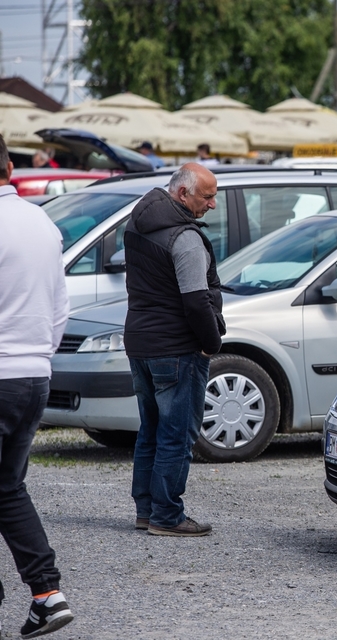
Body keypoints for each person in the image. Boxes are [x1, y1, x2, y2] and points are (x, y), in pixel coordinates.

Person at [125, 163, 225, 538]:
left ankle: (146, 511)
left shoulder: (137, 223)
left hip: (140, 343)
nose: (213, 205)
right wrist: (211, 344)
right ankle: (167, 515)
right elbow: (197, 302)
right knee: (176, 434)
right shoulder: (184, 238)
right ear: (183, 194)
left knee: (150, 429)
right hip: (177, 349)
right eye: (207, 196)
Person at [0, 134, 75, 638]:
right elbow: (59, 310)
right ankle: (47, 595)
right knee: (6, 487)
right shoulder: (42, 223)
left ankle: (46, 593)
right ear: (8, 166)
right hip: (33, 375)